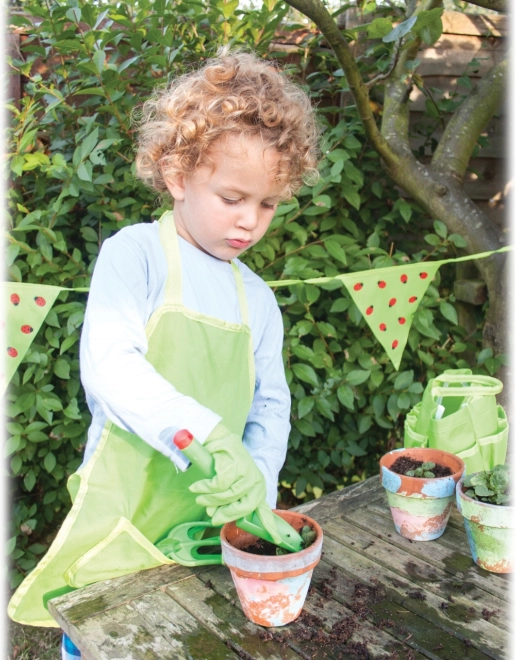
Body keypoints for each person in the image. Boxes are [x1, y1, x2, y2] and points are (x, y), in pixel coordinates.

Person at [7, 48, 320, 657]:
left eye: (267, 204)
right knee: (101, 638)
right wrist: (206, 434)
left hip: (208, 525)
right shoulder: (136, 255)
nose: (250, 222)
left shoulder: (257, 298)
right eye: (232, 198)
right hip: (125, 512)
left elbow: (271, 404)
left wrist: (256, 483)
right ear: (177, 176)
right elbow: (110, 365)